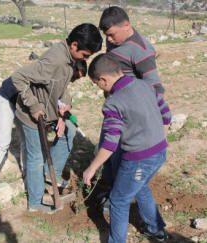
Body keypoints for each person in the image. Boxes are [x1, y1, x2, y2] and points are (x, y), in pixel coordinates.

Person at [12, 23, 103, 214]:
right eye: (85, 55)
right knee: (35, 157)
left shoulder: (68, 58)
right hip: (32, 116)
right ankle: (36, 202)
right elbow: (19, 77)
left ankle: (48, 171)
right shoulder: (54, 60)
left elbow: (59, 87)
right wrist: (34, 106)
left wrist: (65, 104)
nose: (85, 59)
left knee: (69, 130)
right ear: (74, 45)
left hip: (50, 111)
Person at [83, 54, 171, 243]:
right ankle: (157, 230)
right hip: (160, 152)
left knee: (118, 200)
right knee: (139, 187)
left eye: (97, 84)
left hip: (139, 160)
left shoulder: (113, 103)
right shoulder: (145, 85)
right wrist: (158, 140)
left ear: (103, 79)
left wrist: (91, 168)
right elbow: (166, 114)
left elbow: (109, 144)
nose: (99, 89)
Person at [0, 61, 88, 197]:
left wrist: (65, 109)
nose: (73, 81)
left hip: (27, 103)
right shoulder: (48, 73)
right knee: (3, 140)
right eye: (74, 77)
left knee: (28, 140)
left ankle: (29, 176)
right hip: (9, 98)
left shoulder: (60, 78)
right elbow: (36, 96)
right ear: (69, 70)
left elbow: (63, 97)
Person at [97, 6, 166, 212]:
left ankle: (118, 201)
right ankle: (112, 192)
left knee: (121, 162)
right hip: (114, 110)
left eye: (111, 35)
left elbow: (155, 89)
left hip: (131, 118)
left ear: (126, 25)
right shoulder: (115, 42)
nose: (108, 40)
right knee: (107, 157)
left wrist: (159, 126)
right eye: (106, 36)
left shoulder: (141, 50)